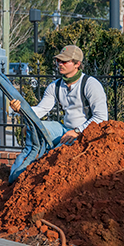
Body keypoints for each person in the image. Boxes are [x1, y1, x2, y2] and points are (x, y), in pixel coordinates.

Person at [8, 45, 108, 182]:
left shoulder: (90, 85)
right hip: (64, 130)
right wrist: (22, 110)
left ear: (77, 64)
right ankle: (16, 177)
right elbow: (42, 109)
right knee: (34, 131)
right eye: (59, 61)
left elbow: (101, 117)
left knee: (55, 156)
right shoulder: (55, 86)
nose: (60, 64)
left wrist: (78, 131)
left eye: (65, 61)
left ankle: (36, 177)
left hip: (85, 133)